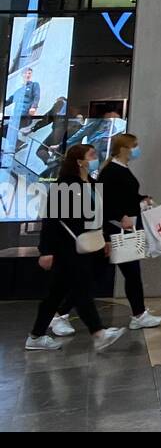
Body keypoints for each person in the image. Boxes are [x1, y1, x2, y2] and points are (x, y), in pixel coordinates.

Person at [26, 145, 125, 352]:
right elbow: (51, 219)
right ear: (79, 161)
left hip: (86, 244)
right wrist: (46, 250)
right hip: (67, 247)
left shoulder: (92, 184)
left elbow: (99, 216)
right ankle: (98, 333)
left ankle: (36, 335)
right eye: (91, 155)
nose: (96, 158)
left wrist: (105, 238)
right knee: (81, 289)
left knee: (56, 293)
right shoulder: (65, 185)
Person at [98, 133, 161, 330]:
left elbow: (126, 196)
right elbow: (107, 201)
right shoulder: (111, 171)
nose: (137, 149)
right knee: (119, 272)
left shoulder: (122, 169)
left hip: (126, 227)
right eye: (134, 146)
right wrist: (120, 216)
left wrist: (142, 199)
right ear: (124, 148)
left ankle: (139, 313)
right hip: (117, 229)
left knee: (131, 272)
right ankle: (138, 314)